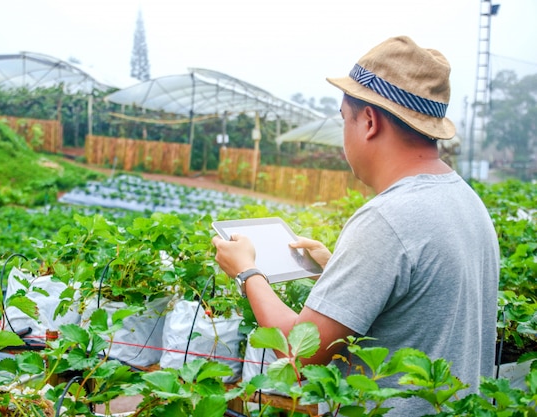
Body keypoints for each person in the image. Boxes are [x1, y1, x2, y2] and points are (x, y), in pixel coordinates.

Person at [212, 35, 500, 416]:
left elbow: (300, 353)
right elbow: (418, 309)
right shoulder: (465, 199)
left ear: (368, 121)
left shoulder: (387, 219)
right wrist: (336, 269)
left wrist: (247, 271)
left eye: (344, 119)